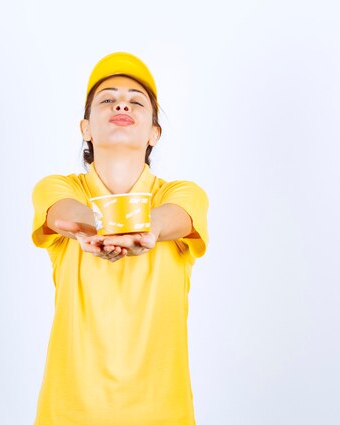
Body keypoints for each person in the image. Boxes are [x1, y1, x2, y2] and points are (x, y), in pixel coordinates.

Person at [31, 52, 209, 425]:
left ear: (153, 133)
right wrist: (98, 227)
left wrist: (149, 230)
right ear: (86, 128)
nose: (121, 103)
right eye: (107, 99)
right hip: (69, 412)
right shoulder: (61, 188)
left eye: (135, 100)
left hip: (162, 413)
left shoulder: (181, 194)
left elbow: (173, 219)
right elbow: (64, 213)